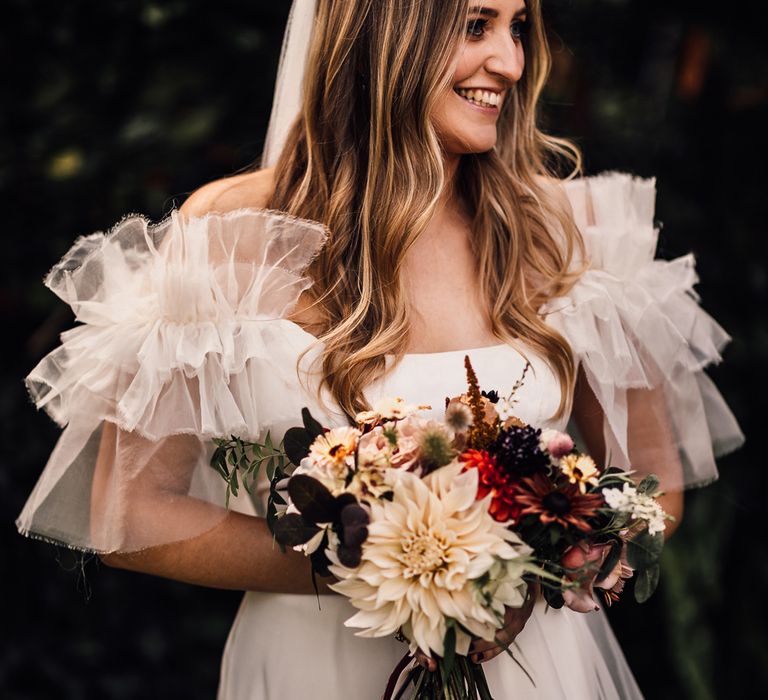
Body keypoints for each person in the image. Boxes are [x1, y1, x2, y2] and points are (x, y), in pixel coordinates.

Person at [17, 0, 744, 698]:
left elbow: (654, 485)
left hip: (535, 666)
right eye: (475, 25)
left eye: (517, 27)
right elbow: (132, 514)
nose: (511, 61)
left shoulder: (565, 230)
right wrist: (386, 564)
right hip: (314, 669)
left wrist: (534, 564)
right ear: (382, 36)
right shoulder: (232, 235)